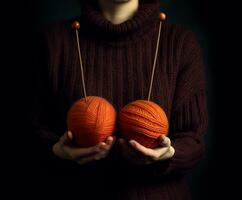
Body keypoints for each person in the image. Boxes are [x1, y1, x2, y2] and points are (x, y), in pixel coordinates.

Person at [32, 0, 208, 199]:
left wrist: (168, 154)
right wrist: (57, 150)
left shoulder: (180, 43)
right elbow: (32, 133)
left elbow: (194, 139)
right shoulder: (53, 42)